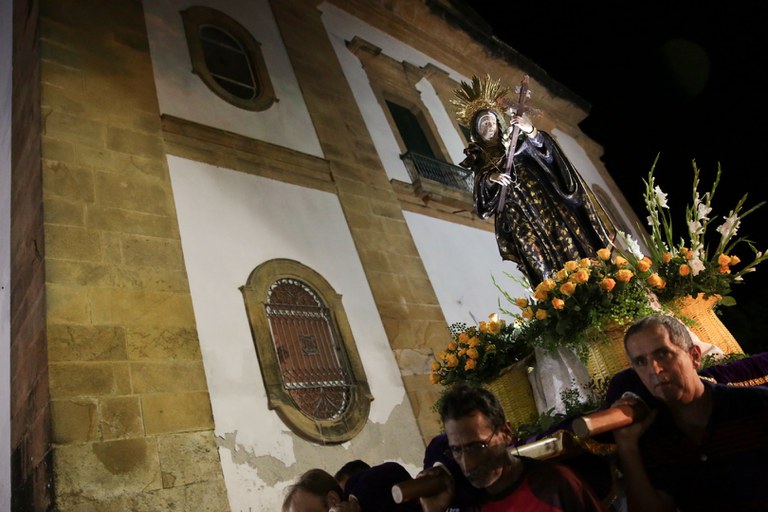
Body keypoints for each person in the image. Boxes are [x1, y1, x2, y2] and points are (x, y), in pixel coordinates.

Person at [453, 75, 615, 287]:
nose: (490, 125)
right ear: (476, 131)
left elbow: (547, 151)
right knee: (535, 255)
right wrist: (491, 178)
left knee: (567, 241)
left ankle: (592, 282)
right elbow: (482, 201)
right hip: (517, 215)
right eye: (484, 123)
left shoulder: (516, 142)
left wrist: (531, 131)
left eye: (492, 121)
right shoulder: (480, 162)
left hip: (546, 203)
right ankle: (555, 297)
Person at [612, 315, 768, 511]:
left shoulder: (756, 406)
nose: (654, 369)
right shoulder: (653, 436)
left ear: (694, 356)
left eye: (663, 354)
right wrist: (627, 446)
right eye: (641, 362)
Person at [420, 383, 605, 511]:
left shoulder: (554, 483)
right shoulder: (470, 505)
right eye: (457, 450)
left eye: (477, 446)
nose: (468, 464)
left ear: (506, 433)